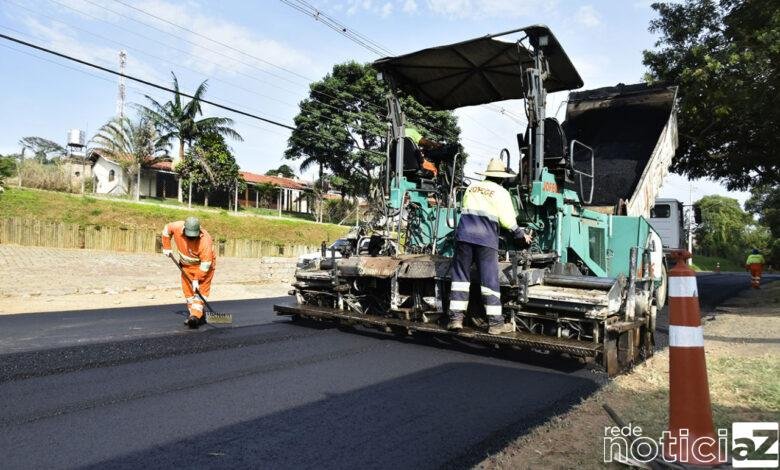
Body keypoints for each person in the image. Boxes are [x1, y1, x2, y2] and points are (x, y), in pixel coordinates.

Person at [448, 159, 532, 334]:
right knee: (489, 281)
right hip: (486, 240)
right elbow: (508, 221)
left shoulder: (471, 188)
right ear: (501, 178)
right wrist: (522, 236)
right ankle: (495, 324)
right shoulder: (501, 192)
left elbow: (465, 210)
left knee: (460, 279)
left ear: (487, 174)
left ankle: (456, 319)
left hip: (464, 237)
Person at [162, 216, 216, 328]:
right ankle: (197, 315)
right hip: (186, 266)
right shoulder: (177, 227)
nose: (191, 238)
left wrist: (196, 279)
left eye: (194, 236)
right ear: (184, 230)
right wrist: (167, 246)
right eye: (189, 236)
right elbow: (166, 230)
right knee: (189, 293)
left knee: (201, 292)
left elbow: (206, 264)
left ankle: (195, 317)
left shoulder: (205, 240)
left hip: (204, 268)